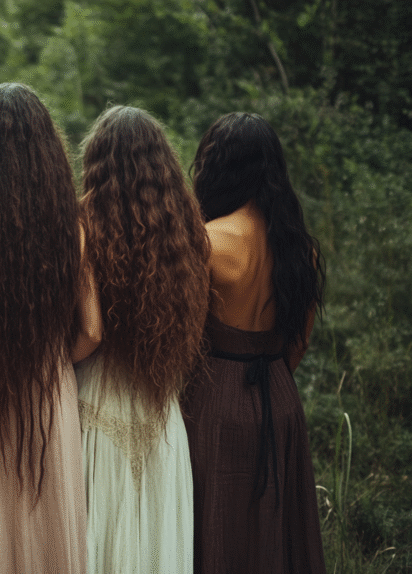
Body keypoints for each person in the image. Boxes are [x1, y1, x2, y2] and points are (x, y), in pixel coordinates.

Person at [0, 82, 100, 574]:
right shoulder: (74, 229)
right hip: (51, 386)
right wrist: (57, 357)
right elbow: (93, 332)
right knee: (48, 521)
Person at [182, 112, 326, 574]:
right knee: (274, 530)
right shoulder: (300, 248)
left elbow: (184, 338)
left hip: (214, 398)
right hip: (279, 399)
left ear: (220, 167)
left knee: (215, 526)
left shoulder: (207, 241)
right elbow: (297, 344)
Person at [75, 105, 210, 573]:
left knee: (101, 538)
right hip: (160, 414)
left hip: (97, 407)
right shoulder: (187, 230)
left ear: (97, 162)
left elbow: (90, 331)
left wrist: (60, 363)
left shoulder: (84, 226)